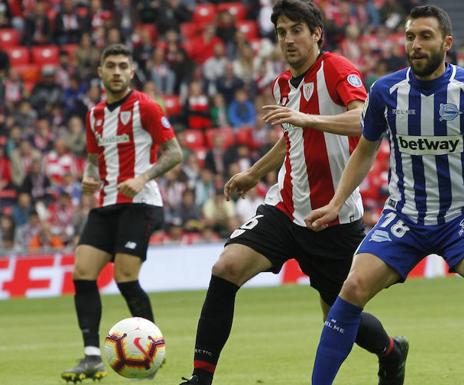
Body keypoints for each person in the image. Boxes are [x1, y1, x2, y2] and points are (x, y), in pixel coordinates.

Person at [306, 5, 464, 385]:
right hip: (404, 217)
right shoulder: (385, 91)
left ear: (446, 43)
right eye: (410, 36)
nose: (415, 44)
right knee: (351, 287)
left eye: (425, 36)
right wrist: (335, 202)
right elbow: (365, 149)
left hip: (460, 217)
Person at [180, 1, 408, 385]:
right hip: (284, 209)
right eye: (281, 32)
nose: (287, 39)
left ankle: (390, 350)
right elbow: (292, 138)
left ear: (316, 33)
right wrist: (254, 173)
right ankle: (201, 378)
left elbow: (365, 119)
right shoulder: (282, 84)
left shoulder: (337, 69)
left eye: (296, 30)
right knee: (226, 268)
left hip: (332, 219)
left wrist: (309, 118)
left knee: (338, 318)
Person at [61, 43, 183, 382]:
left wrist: (142, 177)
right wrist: (89, 174)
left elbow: (175, 153)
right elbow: (91, 156)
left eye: (122, 66)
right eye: (110, 66)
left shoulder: (145, 106)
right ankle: (91, 357)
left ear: (131, 72)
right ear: (100, 72)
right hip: (105, 204)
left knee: (125, 276)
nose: (116, 71)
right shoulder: (94, 114)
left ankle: (152, 351)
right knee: (82, 273)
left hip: (140, 203)